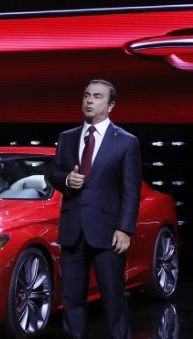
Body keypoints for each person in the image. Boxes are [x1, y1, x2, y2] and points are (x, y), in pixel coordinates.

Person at [47, 79, 142, 339]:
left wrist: (125, 228)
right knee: (72, 300)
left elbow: (132, 190)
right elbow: (53, 173)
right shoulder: (66, 138)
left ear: (111, 105)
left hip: (108, 232)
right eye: (87, 95)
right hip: (73, 230)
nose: (89, 101)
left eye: (97, 97)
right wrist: (66, 179)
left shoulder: (126, 142)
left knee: (113, 299)